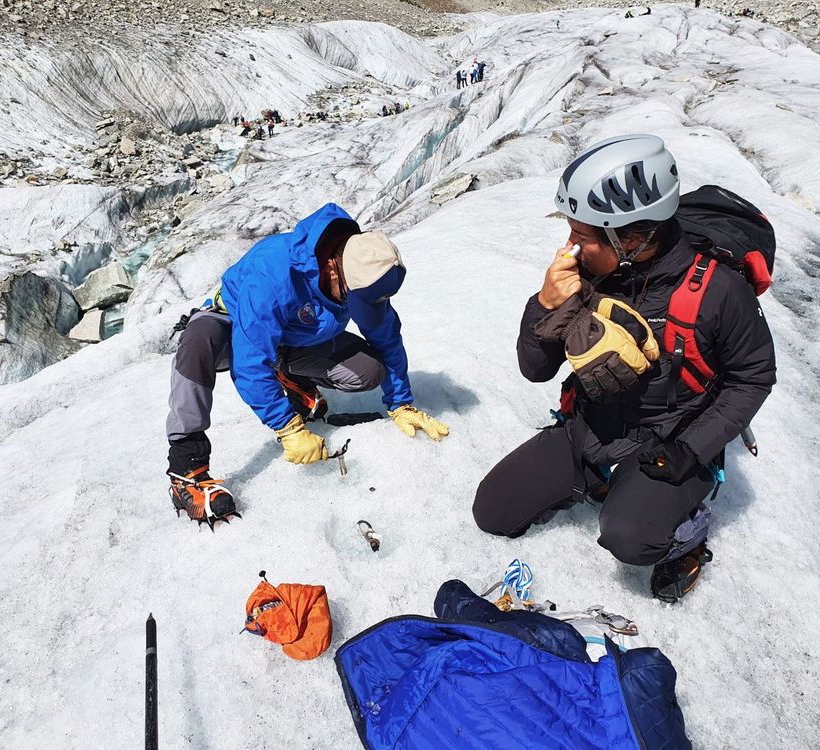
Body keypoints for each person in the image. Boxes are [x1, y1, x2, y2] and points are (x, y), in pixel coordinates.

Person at [472, 134, 775, 601]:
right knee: (493, 511)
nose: (569, 247)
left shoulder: (718, 291)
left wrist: (691, 450)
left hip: (672, 435)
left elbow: (752, 377)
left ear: (631, 237)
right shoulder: (590, 274)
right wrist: (544, 305)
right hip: (595, 422)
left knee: (631, 538)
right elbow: (535, 370)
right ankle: (602, 480)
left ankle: (687, 534)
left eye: (582, 236)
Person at [166, 204, 450, 529]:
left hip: (293, 339)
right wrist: (287, 427)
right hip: (233, 328)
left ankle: (287, 375)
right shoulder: (272, 273)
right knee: (197, 340)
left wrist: (400, 402)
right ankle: (186, 466)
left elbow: (387, 338)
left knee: (369, 369)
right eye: (353, 300)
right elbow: (248, 362)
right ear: (333, 269)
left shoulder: (361, 271)